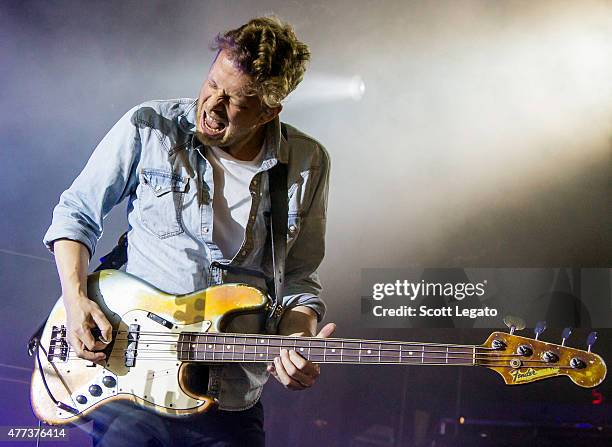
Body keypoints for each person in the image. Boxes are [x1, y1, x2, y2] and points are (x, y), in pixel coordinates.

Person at [43, 16, 334, 446]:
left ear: (270, 110)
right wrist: (75, 298)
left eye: (236, 100)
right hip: (131, 383)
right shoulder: (151, 126)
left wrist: (296, 342)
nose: (212, 105)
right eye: (213, 82)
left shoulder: (307, 164)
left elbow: (299, 279)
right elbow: (76, 214)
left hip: (231, 396)